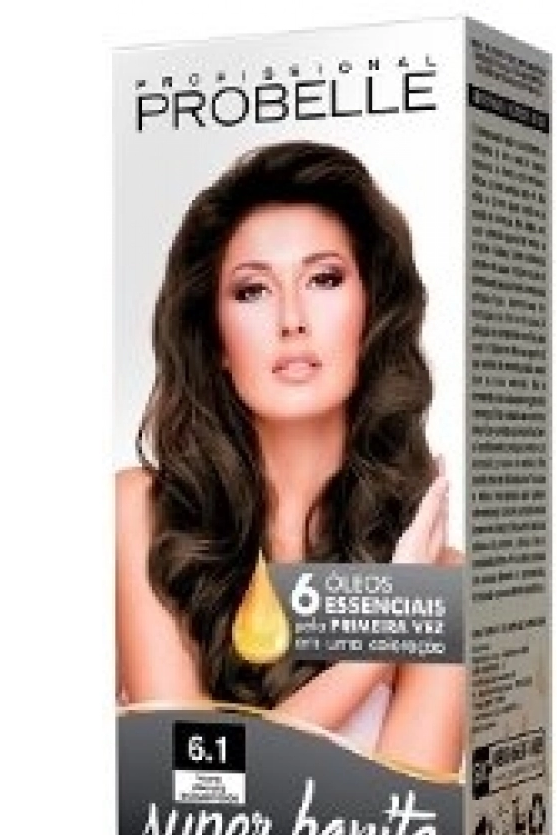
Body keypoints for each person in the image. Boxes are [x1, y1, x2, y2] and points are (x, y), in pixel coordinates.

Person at [116, 140, 463, 773]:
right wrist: (377, 645)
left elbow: (399, 817)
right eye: (253, 291)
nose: (292, 320)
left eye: (324, 280)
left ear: (372, 312)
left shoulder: (438, 578)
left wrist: (412, 595)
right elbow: (186, 779)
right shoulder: (141, 511)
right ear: (215, 339)